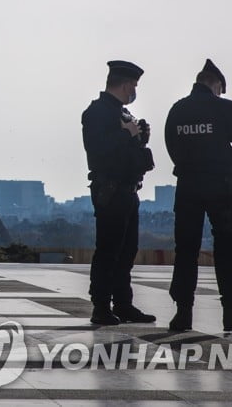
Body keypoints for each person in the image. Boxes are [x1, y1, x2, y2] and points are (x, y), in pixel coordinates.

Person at [165, 59, 232, 333]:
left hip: (188, 185)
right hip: (220, 185)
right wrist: (225, 161)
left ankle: (182, 314)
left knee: (186, 249)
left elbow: (172, 146)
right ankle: (231, 314)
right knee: (226, 248)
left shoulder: (178, 110)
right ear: (215, 84)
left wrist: (193, 164)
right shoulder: (224, 108)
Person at [81, 60, 157, 325]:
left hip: (128, 189)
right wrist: (126, 134)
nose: (134, 90)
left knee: (127, 251)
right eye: (134, 85)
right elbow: (99, 151)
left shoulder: (122, 113)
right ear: (125, 85)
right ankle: (101, 305)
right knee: (109, 250)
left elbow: (127, 151)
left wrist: (140, 137)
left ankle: (123, 303)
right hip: (111, 190)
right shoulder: (97, 113)